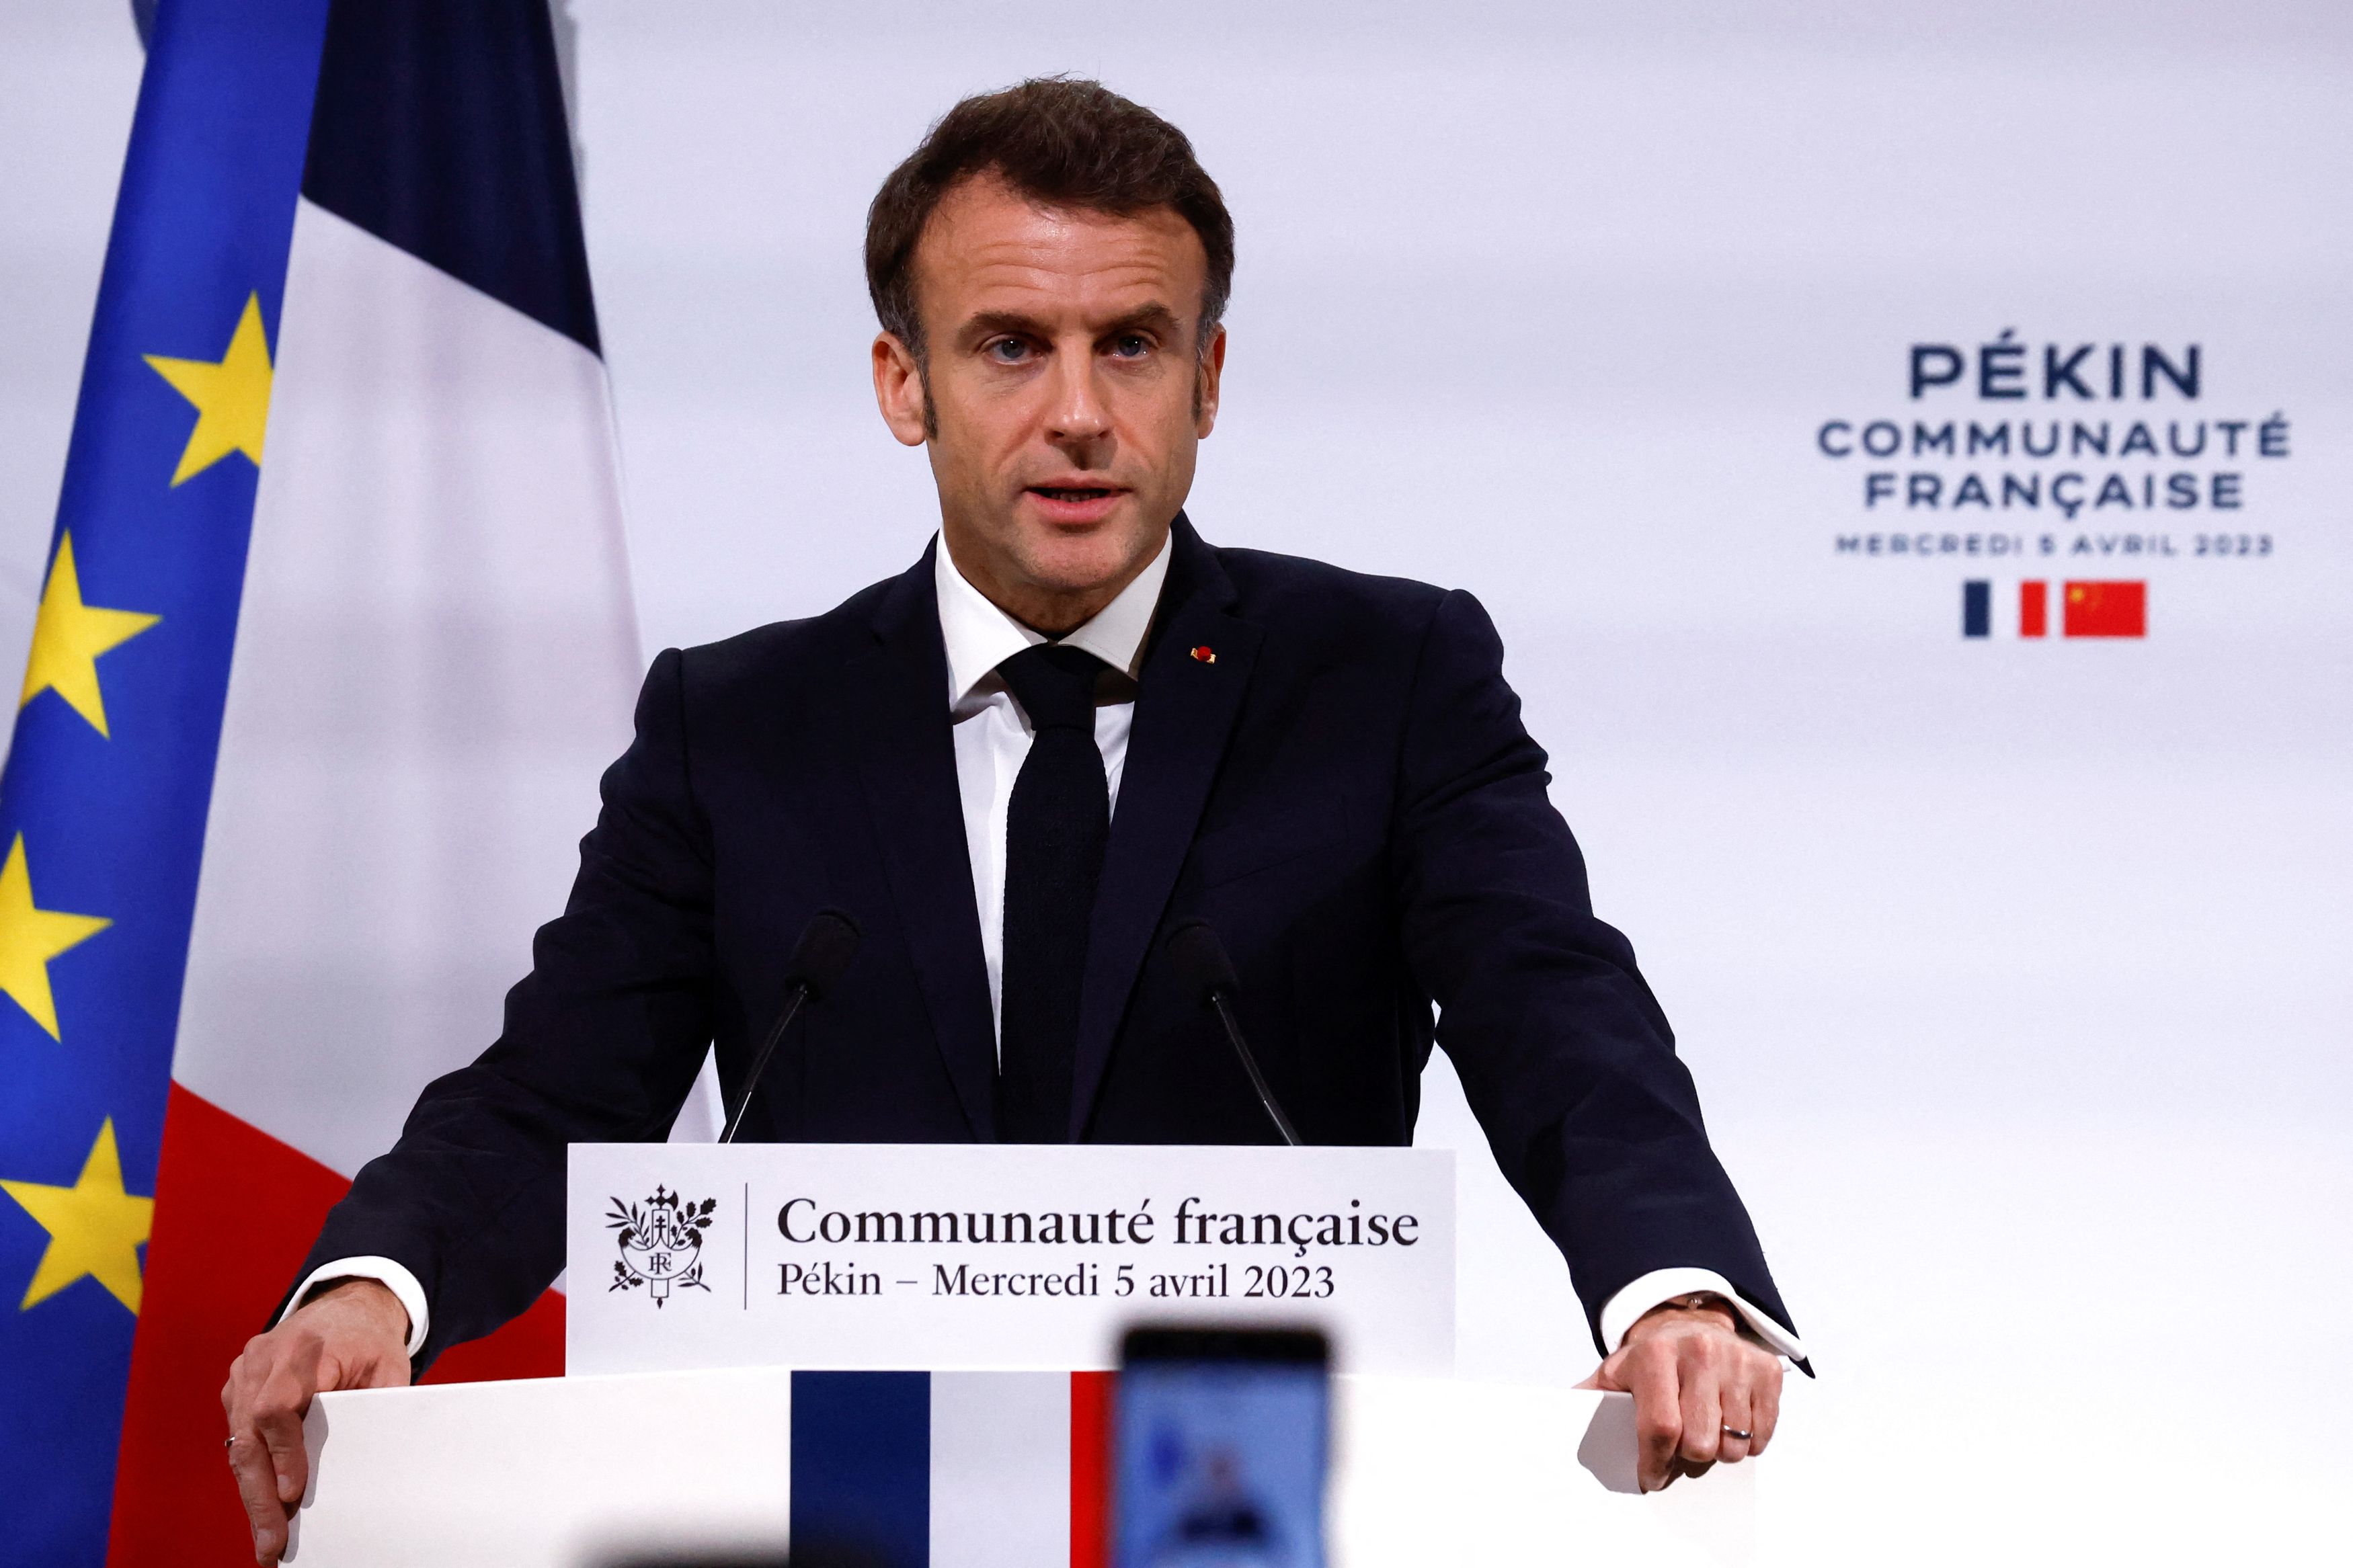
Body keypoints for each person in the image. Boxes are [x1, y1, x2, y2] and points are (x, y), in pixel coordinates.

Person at [222, 78, 1804, 1563]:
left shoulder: (1385, 680)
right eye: (1008, 346)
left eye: (1132, 344)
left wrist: (1673, 1288)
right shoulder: (742, 724)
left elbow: (1553, 1009)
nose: (1079, 414)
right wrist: (377, 1289)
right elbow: (560, 1085)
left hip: (1237, 1504)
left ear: (1208, 380)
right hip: (839, 1500)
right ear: (902, 384)